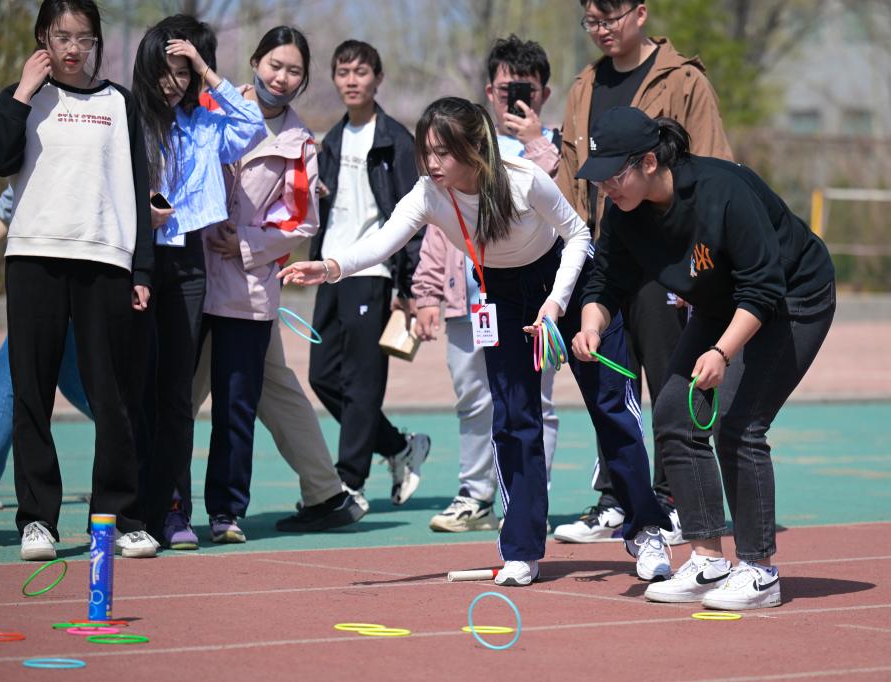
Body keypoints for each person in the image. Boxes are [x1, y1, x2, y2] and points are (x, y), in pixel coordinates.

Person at [280, 97, 675, 587]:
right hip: (502, 295)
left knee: (611, 407)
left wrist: (555, 304)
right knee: (513, 419)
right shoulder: (429, 193)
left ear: (473, 148)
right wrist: (330, 267)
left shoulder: (522, 178)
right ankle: (522, 549)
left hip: (569, 284)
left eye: (443, 152)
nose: (431, 162)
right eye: (426, 151)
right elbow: (384, 240)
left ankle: (646, 529)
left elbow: (577, 236)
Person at [573, 108, 836, 610]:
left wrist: (721, 352)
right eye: (598, 177)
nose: (605, 186)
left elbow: (763, 287)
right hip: (723, 302)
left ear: (649, 162)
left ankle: (759, 571)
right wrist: (591, 325)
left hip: (793, 298)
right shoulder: (625, 212)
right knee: (674, 413)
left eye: (613, 175)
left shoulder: (723, 191)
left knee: (739, 424)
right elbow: (604, 282)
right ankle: (708, 559)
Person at [0, 0, 158, 560]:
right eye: (62, 37)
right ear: (43, 39)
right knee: (31, 392)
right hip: (34, 258)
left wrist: (141, 268)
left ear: (97, 42)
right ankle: (38, 521)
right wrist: (22, 93)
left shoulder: (119, 103)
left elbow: (137, 187)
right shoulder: (23, 97)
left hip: (105, 260)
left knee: (114, 394)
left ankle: (119, 518)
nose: (73, 48)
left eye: (84, 38)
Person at [553, 0, 734, 545]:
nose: (601, 30)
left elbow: (713, 169)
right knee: (610, 379)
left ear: (640, 13)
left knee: (670, 379)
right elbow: (569, 175)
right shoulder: (584, 85)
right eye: (591, 21)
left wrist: (702, 265)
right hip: (604, 253)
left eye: (609, 18)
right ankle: (620, 498)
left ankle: (673, 499)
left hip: (668, 260)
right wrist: (570, 250)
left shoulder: (684, 80)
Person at [192, 26, 365, 542]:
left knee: (229, 396)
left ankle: (304, 495)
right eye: (275, 65)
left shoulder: (299, 142)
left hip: (246, 286)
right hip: (193, 276)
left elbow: (301, 221)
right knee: (219, 391)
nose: (282, 78)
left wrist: (245, 243)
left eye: (294, 71)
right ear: (255, 61)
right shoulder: (208, 106)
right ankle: (325, 491)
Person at [414, 36, 561, 533]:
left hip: (531, 301)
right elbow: (437, 226)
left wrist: (537, 141)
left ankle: (528, 500)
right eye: (503, 90)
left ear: (543, 94)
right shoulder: (459, 149)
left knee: (534, 401)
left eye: (526, 90)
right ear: (487, 92)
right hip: (469, 299)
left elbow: (560, 209)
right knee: (474, 399)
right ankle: (476, 495)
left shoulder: (555, 147)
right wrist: (426, 291)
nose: (513, 99)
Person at [130, 17, 265, 546]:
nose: (175, 82)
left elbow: (252, 126)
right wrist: (141, 211)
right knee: (137, 386)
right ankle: (132, 508)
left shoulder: (205, 123)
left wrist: (208, 71)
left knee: (176, 393)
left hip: (187, 260)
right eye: (167, 70)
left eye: (183, 72)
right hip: (137, 255)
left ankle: (172, 510)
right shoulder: (130, 116)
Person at [308, 40, 430, 512]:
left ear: (378, 78)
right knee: (322, 376)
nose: (351, 80)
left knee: (362, 381)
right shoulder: (331, 141)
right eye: (343, 72)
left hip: (373, 269)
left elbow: (413, 216)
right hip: (330, 267)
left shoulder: (395, 140)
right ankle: (398, 446)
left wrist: (408, 285)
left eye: (360, 72)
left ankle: (350, 480)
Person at [0, 187, 92, 511]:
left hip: (68, 277)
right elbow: (9, 209)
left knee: (8, 379)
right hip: (46, 278)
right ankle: (141, 452)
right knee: (84, 387)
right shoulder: (32, 165)